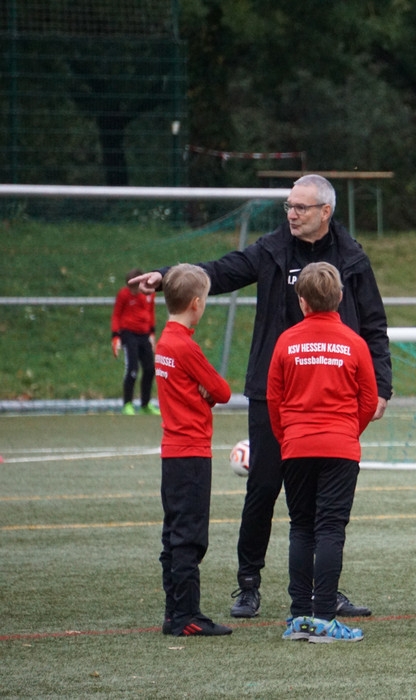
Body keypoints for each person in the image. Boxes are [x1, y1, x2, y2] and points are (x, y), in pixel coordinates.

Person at [132, 174, 391, 620]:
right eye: (289, 206)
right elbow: (222, 270)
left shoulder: (351, 257)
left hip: (331, 396)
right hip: (274, 393)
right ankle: (248, 583)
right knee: (264, 487)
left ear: (325, 212)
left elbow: (374, 323)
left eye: (301, 207)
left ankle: (322, 592)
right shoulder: (272, 249)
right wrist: (167, 274)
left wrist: (381, 385)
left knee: (322, 504)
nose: (291, 214)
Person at [267, 262, 378, 643]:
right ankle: (326, 618)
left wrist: (288, 436)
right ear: (340, 297)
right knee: (330, 528)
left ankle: (299, 617)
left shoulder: (286, 342)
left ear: (301, 301)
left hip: (296, 446)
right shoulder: (354, 342)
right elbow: (368, 399)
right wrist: (346, 431)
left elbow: (273, 399)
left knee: (301, 527)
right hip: (339, 446)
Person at [154, 264, 232, 636]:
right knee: (190, 536)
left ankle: (174, 612)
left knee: (173, 533)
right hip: (193, 451)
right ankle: (187, 615)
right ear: (196, 304)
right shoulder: (186, 346)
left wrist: (201, 392)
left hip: (172, 451)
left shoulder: (164, 342)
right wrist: (207, 393)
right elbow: (222, 391)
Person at [111, 267, 159, 415]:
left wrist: (152, 333)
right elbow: (116, 315)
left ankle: (146, 404)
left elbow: (150, 313)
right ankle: (127, 404)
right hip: (129, 334)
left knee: (150, 369)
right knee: (132, 369)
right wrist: (115, 336)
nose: (132, 291)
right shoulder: (124, 294)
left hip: (144, 334)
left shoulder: (150, 294)